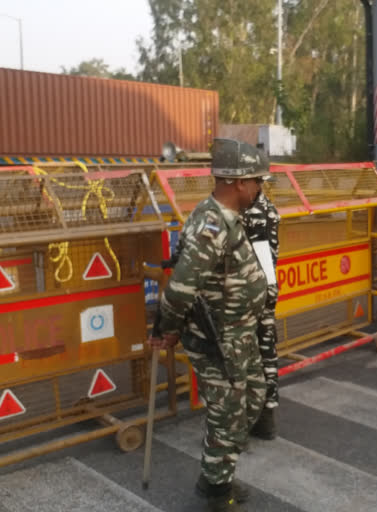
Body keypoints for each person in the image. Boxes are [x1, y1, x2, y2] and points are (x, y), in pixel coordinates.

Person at [150, 138, 270, 512]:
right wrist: (167, 330)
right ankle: (217, 493)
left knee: (253, 397)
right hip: (219, 340)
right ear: (238, 183)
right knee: (228, 416)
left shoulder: (227, 218)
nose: (259, 188)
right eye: (256, 181)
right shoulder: (212, 225)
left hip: (240, 334)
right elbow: (181, 290)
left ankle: (217, 472)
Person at [244, 184, 281, 439]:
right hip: (266, 286)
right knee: (267, 351)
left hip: (253, 291)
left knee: (247, 354)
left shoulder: (252, 214)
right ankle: (266, 417)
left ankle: (248, 420)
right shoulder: (268, 208)